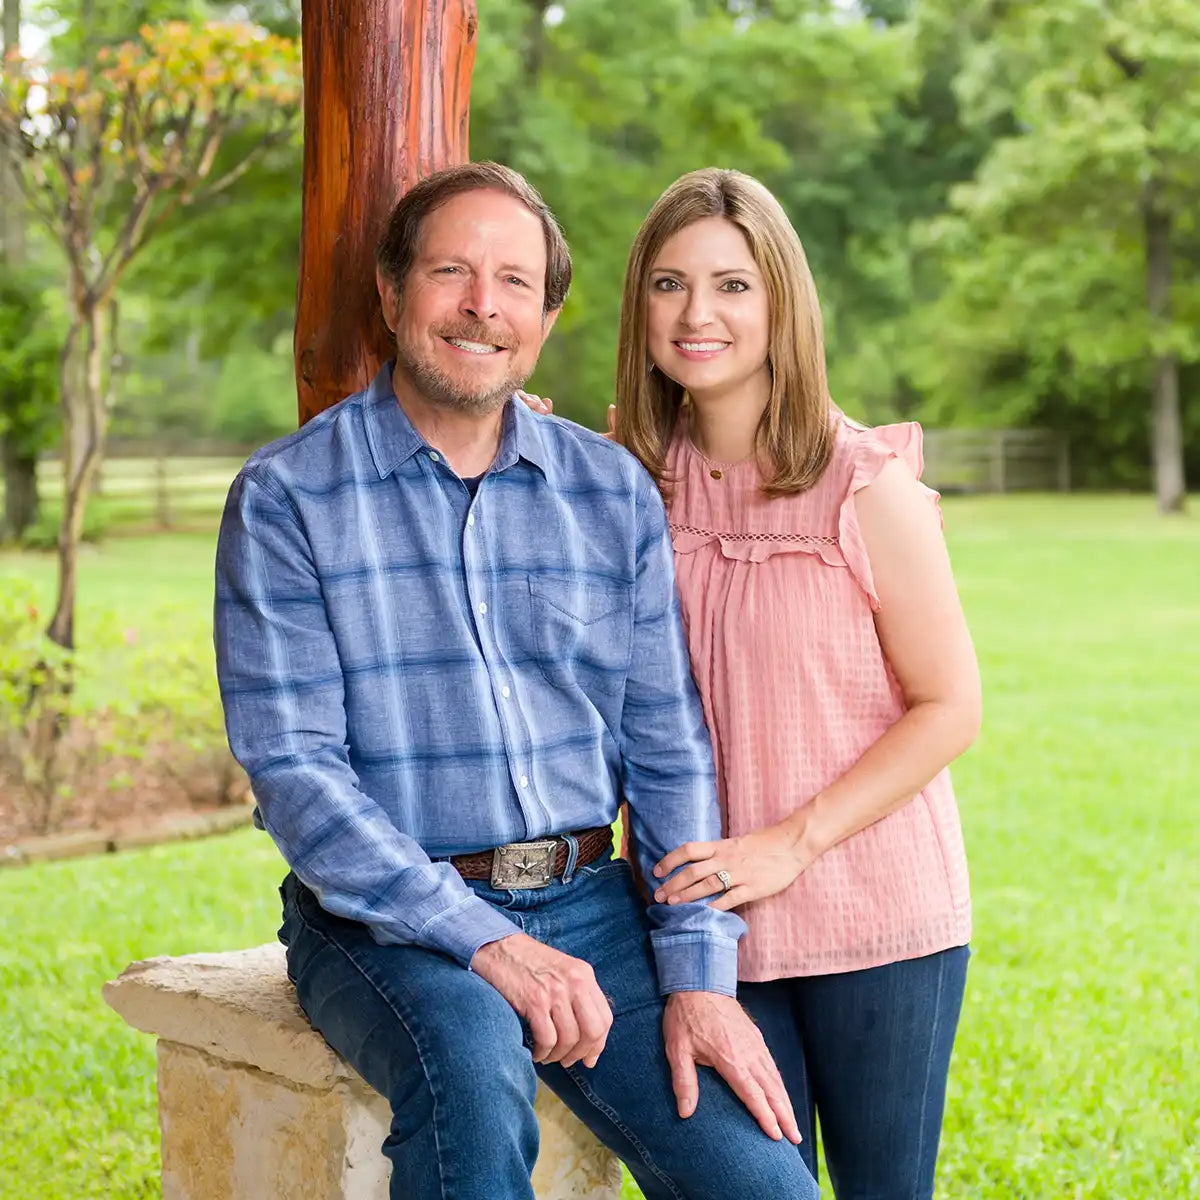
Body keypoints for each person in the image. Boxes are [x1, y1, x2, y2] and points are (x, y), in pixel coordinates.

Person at [213, 161, 820, 1200]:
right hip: (388, 923)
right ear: (394, 293)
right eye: (451, 271)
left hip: (597, 908)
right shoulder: (287, 502)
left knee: (764, 1184)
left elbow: (667, 749)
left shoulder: (607, 490)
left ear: (546, 316)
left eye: (513, 282)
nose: (482, 305)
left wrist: (699, 974)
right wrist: (485, 940)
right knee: (472, 1078)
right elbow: (296, 774)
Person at [522, 168, 980, 1200]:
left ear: (781, 300)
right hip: (698, 927)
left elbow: (952, 706)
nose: (698, 315)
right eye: (670, 284)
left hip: (876, 915)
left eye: (733, 286)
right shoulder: (619, 487)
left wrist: (793, 843)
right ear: (638, 303)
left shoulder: (869, 487)